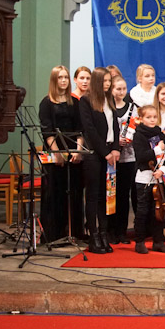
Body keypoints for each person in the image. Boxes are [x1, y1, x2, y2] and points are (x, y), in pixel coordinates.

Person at [38, 65, 85, 243]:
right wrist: (56, 153)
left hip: (73, 153)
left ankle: (74, 231)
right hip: (54, 153)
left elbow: (80, 129)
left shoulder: (75, 102)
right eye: (60, 77)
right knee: (54, 193)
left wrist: (78, 151)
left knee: (74, 192)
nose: (64, 80)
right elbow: (47, 131)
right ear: (54, 80)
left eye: (66, 77)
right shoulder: (46, 103)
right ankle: (53, 234)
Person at [78, 67, 120, 254]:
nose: (108, 84)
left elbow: (115, 126)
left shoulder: (109, 99)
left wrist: (116, 148)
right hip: (94, 154)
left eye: (109, 81)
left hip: (110, 152)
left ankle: (104, 233)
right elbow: (90, 130)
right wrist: (105, 153)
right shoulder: (86, 101)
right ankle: (93, 235)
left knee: (106, 195)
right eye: (105, 81)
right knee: (93, 196)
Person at [131, 105, 165, 254]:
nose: (152, 120)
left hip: (159, 178)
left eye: (154, 117)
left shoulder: (160, 134)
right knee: (143, 211)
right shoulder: (138, 135)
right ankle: (139, 241)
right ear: (141, 119)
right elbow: (141, 156)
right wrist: (157, 150)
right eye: (148, 117)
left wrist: (162, 170)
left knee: (158, 211)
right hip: (144, 178)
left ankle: (158, 241)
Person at [108, 76, 135, 245]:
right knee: (111, 195)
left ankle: (122, 231)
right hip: (111, 157)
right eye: (118, 89)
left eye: (124, 88)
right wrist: (115, 142)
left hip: (128, 157)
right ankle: (110, 230)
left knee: (124, 196)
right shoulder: (108, 107)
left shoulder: (132, 108)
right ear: (112, 90)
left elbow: (135, 127)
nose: (121, 92)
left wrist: (128, 138)